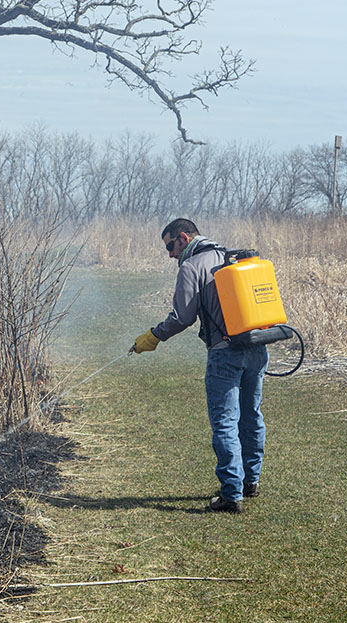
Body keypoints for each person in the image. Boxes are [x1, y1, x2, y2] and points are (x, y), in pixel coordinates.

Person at [132, 218, 268, 514]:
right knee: (251, 415)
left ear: (183, 238)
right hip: (258, 346)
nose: (169, 253)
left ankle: (231, 495)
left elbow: (182, 317)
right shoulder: (229, 256)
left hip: (225, 353)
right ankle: (250, 482)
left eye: (170, 246)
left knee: (225, 422)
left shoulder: (191, 267)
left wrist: (154, 336)